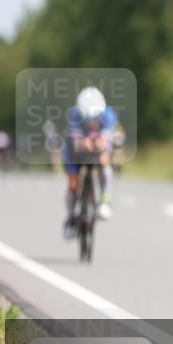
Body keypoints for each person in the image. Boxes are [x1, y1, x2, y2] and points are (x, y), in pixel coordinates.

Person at [62, 87, 117, 238]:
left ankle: (105, 201)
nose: (91, 123)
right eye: (87, 120)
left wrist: (101, 145)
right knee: (73, 184)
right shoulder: (74, 115)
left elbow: (107, 139)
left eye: (95, 120)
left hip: (98, 147)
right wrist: (82, 143)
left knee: (104, 162)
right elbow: (76, 142)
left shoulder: (108, 115)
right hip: (75, 149)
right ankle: (71, 216)